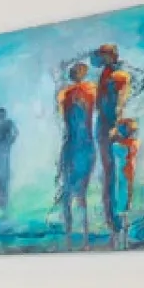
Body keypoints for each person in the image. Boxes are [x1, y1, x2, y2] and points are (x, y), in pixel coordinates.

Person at [56, 62, 98, 248]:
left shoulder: (67, 94)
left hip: (75, 144)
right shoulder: (90, 91)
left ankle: (72, 234)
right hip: (82, 144)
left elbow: (65, 119)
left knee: (70, 191)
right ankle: (81, 235)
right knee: (78, 192)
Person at [94, 44, 133, 240]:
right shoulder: (105, 74)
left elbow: (119, 102)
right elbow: (100, 102)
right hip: (104, 125)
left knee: (117, 171)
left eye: (103, 55)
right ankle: (112, 218)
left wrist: (115, 124)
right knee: (109, 172)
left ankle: (118, 216)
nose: (100, 59)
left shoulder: (118, 75)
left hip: (112, 125)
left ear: (111, 56)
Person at [108, 115, 140, 248]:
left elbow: (115, 143)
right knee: (124, 208)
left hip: (121, 178)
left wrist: (114, 134)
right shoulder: (132, 144)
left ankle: (118, 239)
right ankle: (123, 240)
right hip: (126, 177)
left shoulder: (120, 145)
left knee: (120, 207)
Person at [0, 108, 18, 214]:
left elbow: (15, 133)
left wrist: (10, 141)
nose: (0, 116)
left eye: (2, 114)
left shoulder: (8, 123)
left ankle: (4, 205)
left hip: (4, 154)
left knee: (4, 179)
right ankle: (2, 205)